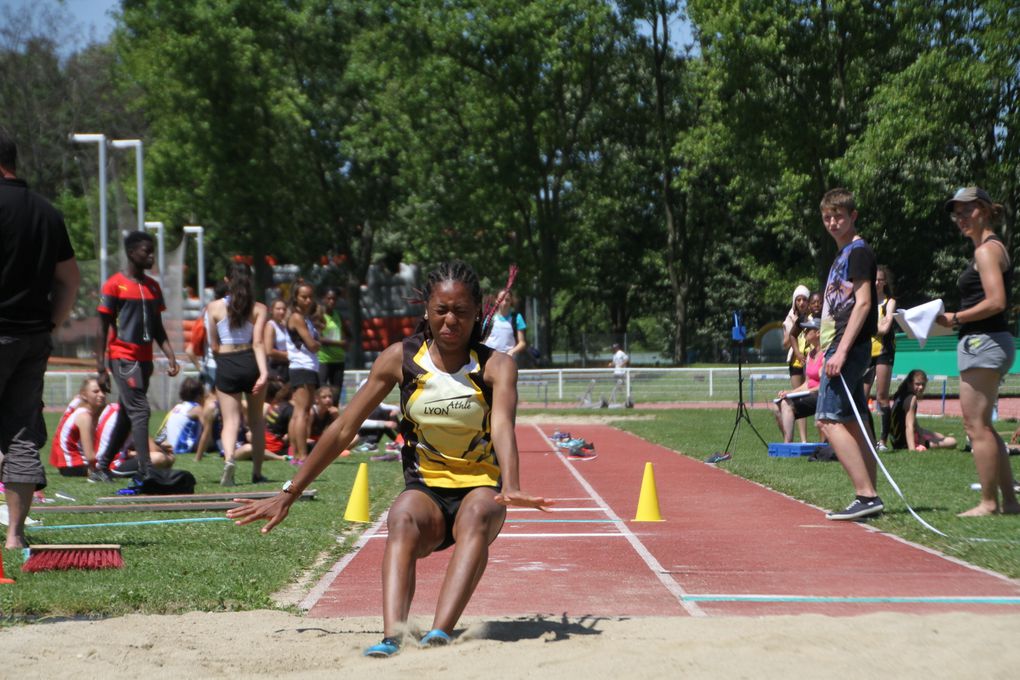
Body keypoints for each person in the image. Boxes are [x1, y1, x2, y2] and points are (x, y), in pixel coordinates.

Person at [228, 261, 551, 658]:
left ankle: (440, 632)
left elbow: (502, 425)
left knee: (478, 514)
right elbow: (344, 428)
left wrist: (513, 485)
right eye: (441, 311)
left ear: (477, 314)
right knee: (400, 517)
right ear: (427, 312)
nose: (450, 321)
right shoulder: (400, 359)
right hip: (427, 491)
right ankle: (392, 636)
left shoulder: (496, 366)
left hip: (480, 488)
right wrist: (290, 491)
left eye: (461, 312)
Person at [0, 127, 80, 548]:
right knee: (21, 433)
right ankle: (15, 535)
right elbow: (69, 279)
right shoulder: (47, 212)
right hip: (32, 337)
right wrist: (50, 324)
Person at [936, 186, 1020, 516]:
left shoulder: (986, 251)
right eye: (956, 213)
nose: (960, 218)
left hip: (984, 342)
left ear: (983, 210)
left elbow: (997, 301)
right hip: (987, 342)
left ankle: (988, 502)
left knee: (975, 427)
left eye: (966, 210)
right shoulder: (989, 249)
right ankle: (1009, 502)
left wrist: (955, 318)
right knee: (984, 425)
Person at [815, 188, 881, 521]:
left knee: (827, 419)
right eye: (827, 217)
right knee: (854, 422)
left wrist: (839, 351)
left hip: (848, 345)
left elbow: (865, 302)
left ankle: (865, 495)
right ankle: (871, 494)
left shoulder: (858, 253)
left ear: (852, 217)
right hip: (842, 343)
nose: (832, 223)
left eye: (838, 216)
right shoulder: (844, 255)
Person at [96, 230, 180, 482]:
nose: (152, 255)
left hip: (145, 361)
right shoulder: (114, 284)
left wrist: (170, 355)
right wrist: (100, 367)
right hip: (123, 357)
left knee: (127, 412)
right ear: (132, 253)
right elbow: (102, 327)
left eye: (153, 250)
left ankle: (100, 467)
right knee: (140, 410)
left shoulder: (153, 287)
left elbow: (157, 327)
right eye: (147, 250)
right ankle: (146, 470)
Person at [205, 262, 269, 485]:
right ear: (249, 280)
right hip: (250, 361)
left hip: (227, 363)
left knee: (230, 421)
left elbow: (213, 345)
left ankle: (230, 459)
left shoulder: (213, 308)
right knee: (256, 421)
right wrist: (263, 373)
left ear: (226, 281)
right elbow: (258, 342)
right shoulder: (259, 308)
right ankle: (257, 472)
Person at [770, 318, 823, 443]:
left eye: (808, 330)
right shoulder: (810, 354)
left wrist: (808, 391)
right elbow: (806, 384)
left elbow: (825, 386)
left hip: (821, 395)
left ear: (818, 333)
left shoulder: (826, 354)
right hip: (811, 394)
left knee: (786, 404)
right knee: (776, 406)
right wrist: (789, 392)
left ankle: (787, 445)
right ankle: (789, 443)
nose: (804, 332)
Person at [286, 282, 320, 463]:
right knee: (302, 412)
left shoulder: (305, 318)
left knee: (299, 412)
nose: (308, 300)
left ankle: (296, 454)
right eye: (303, 297)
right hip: (302, 366)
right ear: (295, 298)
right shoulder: (297, 317)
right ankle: (302, 455)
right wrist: (317, 343)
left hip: (306, 366)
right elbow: (312, 345)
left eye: (310, 297)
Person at [864, 266, 897, 451]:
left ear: (885, 282)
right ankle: (870, 438)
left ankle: (883, 441)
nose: (876, 283)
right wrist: (876, 325)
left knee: (882, 396)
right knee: (862, 397)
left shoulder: (889, 302)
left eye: (880, 279)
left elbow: (885, 329)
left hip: (884, 351)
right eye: (874, 279)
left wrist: (870, 326)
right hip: (867, 352)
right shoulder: (866, 301)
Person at [887, 370, 958, 451]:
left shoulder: (900, 395)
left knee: (941, 436)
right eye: (917, 384)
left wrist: (923, 434)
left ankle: (922, 440)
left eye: (923, 384)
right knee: (952, 441)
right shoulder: (911, 399)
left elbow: (915, 426)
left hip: (896, 441)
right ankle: (919, 444)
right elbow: (909, 426)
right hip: (904, 442)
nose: (920, 387)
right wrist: (912, 449)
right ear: (909, 383)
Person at [50, 378, 106, 477]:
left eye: (103, 391)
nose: (101, 395)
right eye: (95, 392)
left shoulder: (86, 413)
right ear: (84, 395)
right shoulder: (85, 416)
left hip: (70, 465)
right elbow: (90, 457)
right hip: (75, 466)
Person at [782, 285, 811, 443]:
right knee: (798, 398)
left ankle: (816, 440)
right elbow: (785, 344)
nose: (801, 303)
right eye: (798, 300)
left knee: (811, 396)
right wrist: (792, 326)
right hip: (795, 361)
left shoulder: (812, 318)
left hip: (809, 360)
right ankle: (802, 439)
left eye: (804, 299)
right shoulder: (790, 318)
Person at [154, 377, 206, 456]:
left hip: (170, 446)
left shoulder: (177, 407)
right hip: (182, 448)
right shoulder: (197, 409)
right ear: (199, 396)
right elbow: (207, 429)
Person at [317, 287, 349, 394]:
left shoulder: (338, 315)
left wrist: (346, 342)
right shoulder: (320, 316)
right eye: (329, 298)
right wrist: (339, 343)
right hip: (324, 359)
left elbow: (347, 333)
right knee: (321, 390)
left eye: (334, 299)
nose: (331, 301)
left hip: (338, 359)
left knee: (336, 393)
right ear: (323, 299)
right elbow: (318, 338)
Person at [483, 292, 527, 358]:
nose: (504, 302)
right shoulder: (489, 318)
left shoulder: (517, 318)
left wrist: (512, 351)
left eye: (507, 300)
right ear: (496, 300)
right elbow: (481, 340)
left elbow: (522, 343)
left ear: (511, 301)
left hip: (508, 358)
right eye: (502, 299)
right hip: (490, 357)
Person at [264, 299, 290, 383]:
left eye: (284, 309)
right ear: (271, 310)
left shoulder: (284, 325)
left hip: (287, 365)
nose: (282, 312)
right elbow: (269, 351)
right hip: (276, 367)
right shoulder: (271, 326)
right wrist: (288, 355)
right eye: (278, 309)